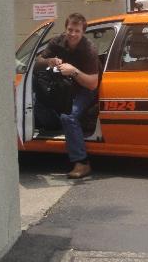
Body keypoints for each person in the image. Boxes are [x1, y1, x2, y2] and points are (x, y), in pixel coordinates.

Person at [34, 12, 99, 179]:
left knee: (68, 117)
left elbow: (92, 83)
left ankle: (82, 163)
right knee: (38, 102)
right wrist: (49, 61)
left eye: (77, 31)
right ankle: (60, 129)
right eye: (70, 29)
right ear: (66, 28)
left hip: (83, 90)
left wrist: (74, 71)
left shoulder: (89, 49)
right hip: (63, 88)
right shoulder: (57, 42)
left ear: (83, 31)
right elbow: (37, 62)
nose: (72, 34)